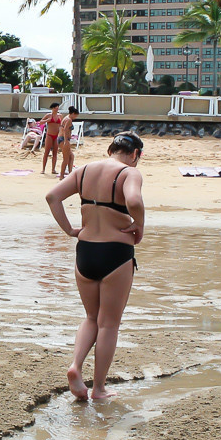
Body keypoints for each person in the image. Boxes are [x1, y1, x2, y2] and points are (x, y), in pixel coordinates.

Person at [44, 132, 145, 401]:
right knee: (109, 324)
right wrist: (140, 226)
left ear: (110, 149)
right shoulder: (129, 173)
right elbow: (133, 201)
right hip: (116, 251)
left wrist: (70, 230)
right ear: (135, 154)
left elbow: (52, 197)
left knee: (91, 317)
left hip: (85, 251)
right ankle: (99, 388)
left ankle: (75, 366)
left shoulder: (84, 170)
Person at [40, 102, 66, 175]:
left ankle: (53, 169)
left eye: (57, 107)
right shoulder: (48, 115)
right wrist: (46, 121)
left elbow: (63, 124)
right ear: (52, 108)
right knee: (46, 152)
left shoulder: (60, 116)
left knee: (55, 152)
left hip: (57, 135)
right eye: (55, 107)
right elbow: (40, 122)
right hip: (49, 135)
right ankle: (43, 169)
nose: (57, 109)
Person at [57, 105, 79, 179]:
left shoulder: (66, 118)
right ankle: (62, 176)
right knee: (66, 159)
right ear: (73, 114)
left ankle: (70, 174)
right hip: (64, 139)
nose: (75, 117)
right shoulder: (68, 119)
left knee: (71, 156)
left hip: (61, 138)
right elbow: (66, 130)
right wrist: (66, 141)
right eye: (75, 116)